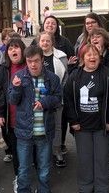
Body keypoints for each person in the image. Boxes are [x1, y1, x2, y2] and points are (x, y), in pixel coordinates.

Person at [64, 44, 109, 193]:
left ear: (100, 57)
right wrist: (73, 121)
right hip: (82, 127)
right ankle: (85, 187)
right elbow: (68, 99)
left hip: (102, 126)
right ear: (82, 58)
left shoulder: (107, 74)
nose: (92, 57)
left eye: (95, 54)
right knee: (85, 159)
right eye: (88, 54)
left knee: (102, 158)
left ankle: (102, 187)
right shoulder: (75, 76)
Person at [8, 45, 62, 193]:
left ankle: (43, 190)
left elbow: (58, 98)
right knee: (24, 168)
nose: (33, 64)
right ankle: (24, 190)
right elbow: (12, 101)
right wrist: (16, 88)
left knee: (44, 167)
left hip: (44, 132)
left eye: (36, 61)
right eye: (30, 61)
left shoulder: (52, 78)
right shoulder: (18, 77)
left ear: (42, 60)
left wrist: (44, 103)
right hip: (24, 132)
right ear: (26, 61)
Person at [0, 38, 27, 193]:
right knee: (18, 152)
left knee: (35, 151)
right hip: (12, 119)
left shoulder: (31, 65)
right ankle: (20, 177)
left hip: (32, 119)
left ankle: (37, 178)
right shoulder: (2, 70)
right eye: (10, 48)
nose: (13, 50)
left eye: (16, 47)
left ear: (23, 50)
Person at [37, 31, 68, 168]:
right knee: (40, 125)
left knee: (57, 126)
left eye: (47, 41)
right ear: (39, 42)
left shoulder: (61, 57)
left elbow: (65, 76)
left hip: (56, 98)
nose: (45, 43)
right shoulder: (34, 57)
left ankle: (56, 151)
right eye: (42, 41)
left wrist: (59, 94)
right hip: (38, 99)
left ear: (52, 43)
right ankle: (42, 153)